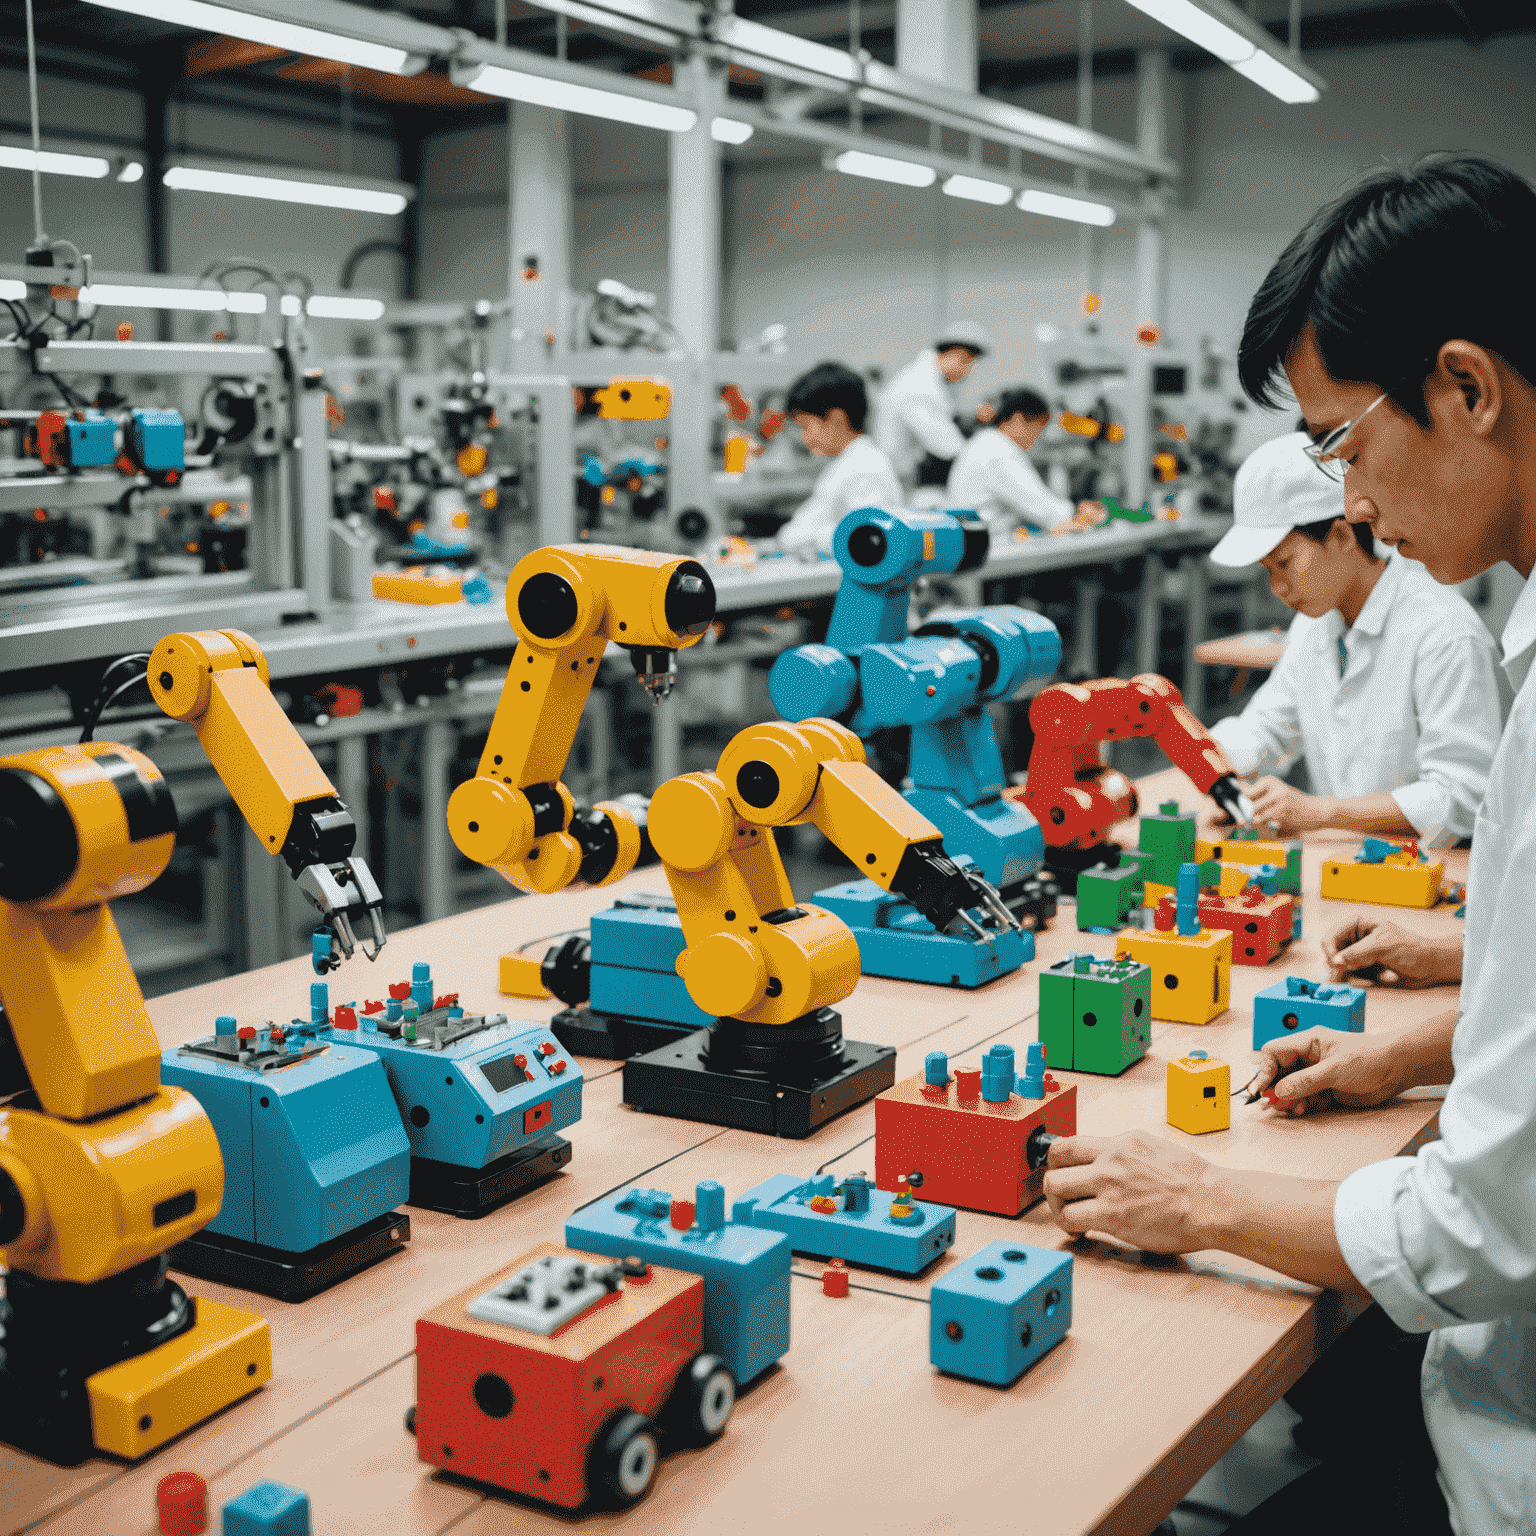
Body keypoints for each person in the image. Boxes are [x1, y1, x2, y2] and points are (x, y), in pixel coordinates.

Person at [1042, 153, 1536, 1536]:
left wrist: (1203, 1195)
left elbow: (1487, 1231)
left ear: (1467, 387)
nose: (1355, 503)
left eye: (1344, 443)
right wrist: (1404, 1050)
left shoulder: (1482, 649)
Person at [1206, 431, 1500, 843]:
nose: (1277, 587)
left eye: (1285, 563)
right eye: (1267, 570)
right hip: (1345, 865)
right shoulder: (1314, 625)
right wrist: (1209, 757)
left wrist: (1320, 811)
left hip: (1431, 873)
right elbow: (1270, 729)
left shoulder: (1444, 633)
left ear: (1342, 537)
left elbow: (1463, 796)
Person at [774, 362, 900, 560]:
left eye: (806, 426)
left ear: (836, 419)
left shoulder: (866, 467)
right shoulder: (847, 463)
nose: (804, 438)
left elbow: (870, 538)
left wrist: (805, 539)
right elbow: (796, 530)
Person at [946, 386, 1106, 535]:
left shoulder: (987, 441)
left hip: (981, 536)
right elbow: (1037, 504)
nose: (1039, 437)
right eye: (1039, 427)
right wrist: (1078, 513)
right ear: (1018, 419)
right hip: (987, 541)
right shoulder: (996, 450)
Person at [876, 320, 990, 491]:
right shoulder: (920, 386)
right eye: (968, 363)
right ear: (958, 355)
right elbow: (946, 445)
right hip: (899, 479)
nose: (969, 371)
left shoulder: (926, 379)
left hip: (903, 475)